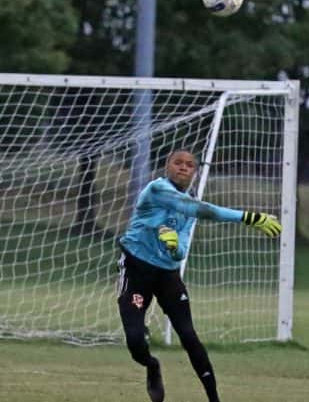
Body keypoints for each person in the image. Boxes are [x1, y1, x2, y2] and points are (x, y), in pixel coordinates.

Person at [117, 150, 281, 402]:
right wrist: (248, 217)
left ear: (195, 172)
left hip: (167, 275)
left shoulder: (188, 209)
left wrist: (172, 247)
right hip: (137, 270)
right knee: (136, 342)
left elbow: (180, 252)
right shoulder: (157, 189)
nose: (184, 168)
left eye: (190, 165)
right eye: (178, 163)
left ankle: (214, 399)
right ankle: (151, 365)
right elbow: (201, 209)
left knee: (189, 335)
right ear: (167, 166)